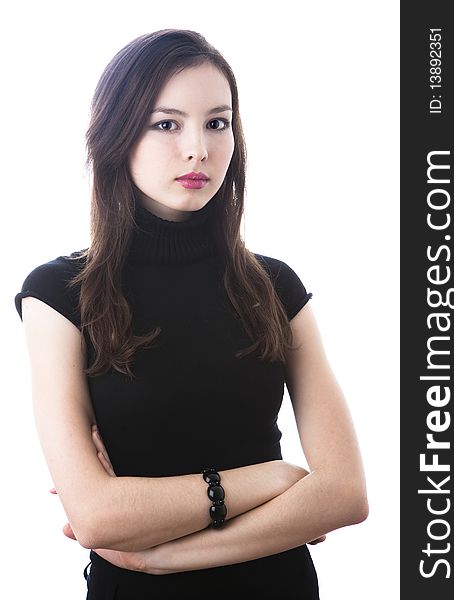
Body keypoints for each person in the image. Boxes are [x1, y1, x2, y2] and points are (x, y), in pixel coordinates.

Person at [14, 29, 368, 599]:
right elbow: (100, 518)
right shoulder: (58, 294)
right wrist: (274, 480)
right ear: (116, 135)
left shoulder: (276, 286)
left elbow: (346, 494)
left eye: (217, 122)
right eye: (166, 124)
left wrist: (167, 559)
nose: (198, 149)